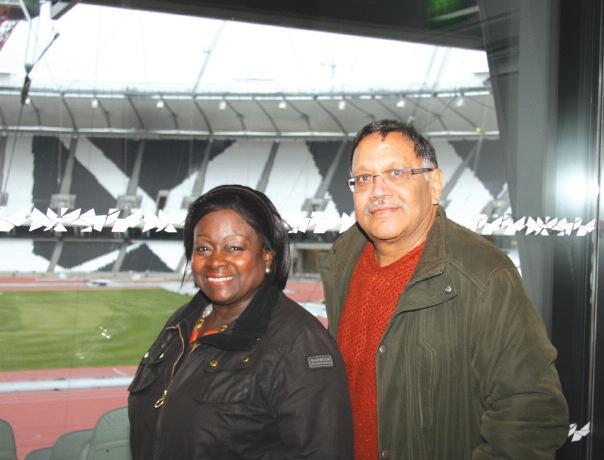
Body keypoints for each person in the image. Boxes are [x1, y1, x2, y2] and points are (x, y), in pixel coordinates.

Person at [318, 119, 569, 459]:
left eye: (396, 173)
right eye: (364, 178)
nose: (377, 191)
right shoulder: (341, 262)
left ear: (434, 184)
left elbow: (532, 415)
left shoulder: (486, 276)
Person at [128, 184, 353, 460]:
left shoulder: (301, 344)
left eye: (234, 248)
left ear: (267, 256)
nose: (216, 261)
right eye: (203, 248)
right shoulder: (181, 322)